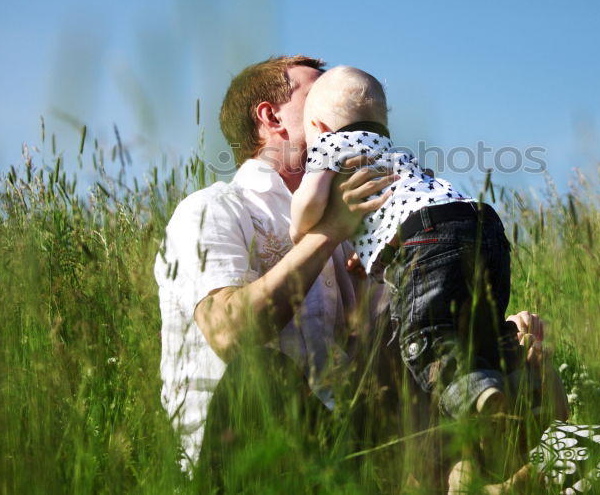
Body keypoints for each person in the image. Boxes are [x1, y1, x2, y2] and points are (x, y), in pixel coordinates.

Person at [153, 55, 562, 489]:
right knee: (261, 372)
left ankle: (473, 479)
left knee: (441, 349)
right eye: (317, 96)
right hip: (244, 446)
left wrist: (485, 334)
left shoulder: (364, 219)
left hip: (340, 442)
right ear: (271, 117)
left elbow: (396, 343)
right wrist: (327, 232)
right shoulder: (213, 208)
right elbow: (228, 332)